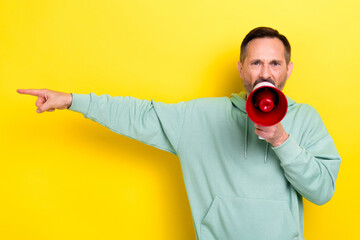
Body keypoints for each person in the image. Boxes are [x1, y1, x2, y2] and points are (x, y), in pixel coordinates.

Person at [17, 27, 341, 240]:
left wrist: (282, 141)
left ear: (288, 68)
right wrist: (73, 101)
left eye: (274, 63)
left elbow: (322, 191)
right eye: (256, 63)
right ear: (241, 68)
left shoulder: (306, 119)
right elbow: (139, 115)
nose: (265, 72)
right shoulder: (199, 117)